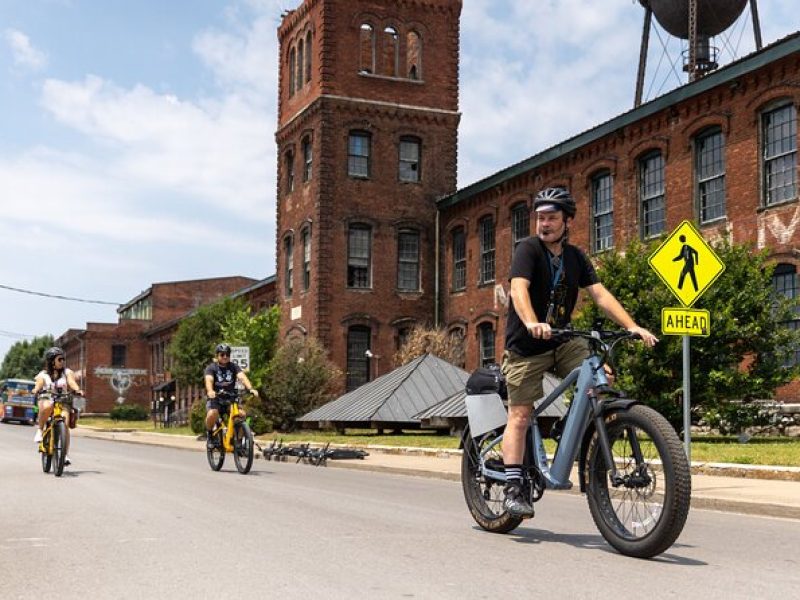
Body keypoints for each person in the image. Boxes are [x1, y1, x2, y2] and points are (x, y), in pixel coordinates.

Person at [501, 187, 658, 518]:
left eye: (552, 218)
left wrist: (633, 326)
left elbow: (600, 295)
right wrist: (531, 322)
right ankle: (512, 486)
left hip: (561, 340)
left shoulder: (575, 257)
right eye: (540, 217)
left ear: (567, 221)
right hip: (527, 345)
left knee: (604, 374)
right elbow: (518, 289)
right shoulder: (527, 250)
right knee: (521, 414)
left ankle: (577, 431)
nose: (544, 224)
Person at [32, 347, 83, 466]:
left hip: (63, 400)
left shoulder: (67, 372)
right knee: (48, 405)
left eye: (63, 359)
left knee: (64, 424)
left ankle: (64, 454)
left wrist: (77, 390)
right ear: (51, 361)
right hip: (47, 398)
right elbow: (38, 384)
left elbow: (71, 382)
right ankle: (40, 430)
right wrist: (35, 390)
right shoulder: (43, 374)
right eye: (59, 359)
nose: (62, 361)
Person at [204, 343, 258, 449]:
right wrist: (210, 391)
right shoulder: (211, 368)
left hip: (230, 398)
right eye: (222, 354)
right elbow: (209, 380)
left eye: (227, 354)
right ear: (217, 356)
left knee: (242, 415)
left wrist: (250, 388)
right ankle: (210, 434)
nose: (225, 357)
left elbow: (242, 377)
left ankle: (237, 441)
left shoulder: (233, 367)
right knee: (212, 413)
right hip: (216, 398)